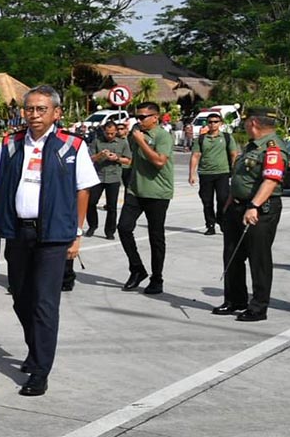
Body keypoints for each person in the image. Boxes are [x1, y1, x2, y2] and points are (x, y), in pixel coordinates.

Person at [0, 85, 99, 397]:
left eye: (41, 109)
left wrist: (77, 232)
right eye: (29, 109)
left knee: (45, 303)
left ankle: (40, 370)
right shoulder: (10, 143)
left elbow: (83, 190)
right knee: (21, 298)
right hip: (17, 231)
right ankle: (35, 351)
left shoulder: (71, 145)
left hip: (54, 235)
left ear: (56, 113)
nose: (33, 115)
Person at [214, 109, 289, 321]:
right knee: (232, 255)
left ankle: (258, 307)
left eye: (246, 121)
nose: (244, 125)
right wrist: (231, 198)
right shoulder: (252, 146)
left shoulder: (272, 148)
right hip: (238, 206)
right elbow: (243, 176)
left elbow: (271, 180)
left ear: (253, 122)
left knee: (258, 259)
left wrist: (254, 205)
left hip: (260, 209)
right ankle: (235, 300)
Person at [117, 102, 175, 294]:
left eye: (143, 117)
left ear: (155, 118)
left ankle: (157, 278)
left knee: (155, 237)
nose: (139, 120)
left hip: (157, 193)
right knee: (124, 228)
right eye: (137, 117)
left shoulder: (162, 136)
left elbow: (159, 161)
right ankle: (137, 269)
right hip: (135, 190)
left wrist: (141, 141)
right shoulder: (135, 132)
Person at [188, 113, 239, 236]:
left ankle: (222, 221)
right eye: (210, 122)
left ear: (220, 123)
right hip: (206, 173)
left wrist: (235, 170)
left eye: (215, 121)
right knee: (207, 201)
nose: (213, 124)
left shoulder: (227, 137)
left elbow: (233, 154)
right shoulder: (201, 139)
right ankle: (210, 225)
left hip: (223, 172)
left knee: (223, 199)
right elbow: (195, 156)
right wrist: (192, 174)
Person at [86, 121, 131, 239]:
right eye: (107, 133)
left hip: (114, 177)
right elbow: (89, 158)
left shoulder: (122, 142)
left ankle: (110, 231)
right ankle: (92, 225)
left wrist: (116, 158)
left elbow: (128, 160)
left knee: (112, 206)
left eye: (112, 133)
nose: (110, 136)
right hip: (98, 177)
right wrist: (100, 155)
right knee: (91, 203)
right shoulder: (97, 141)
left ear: (116, 131)